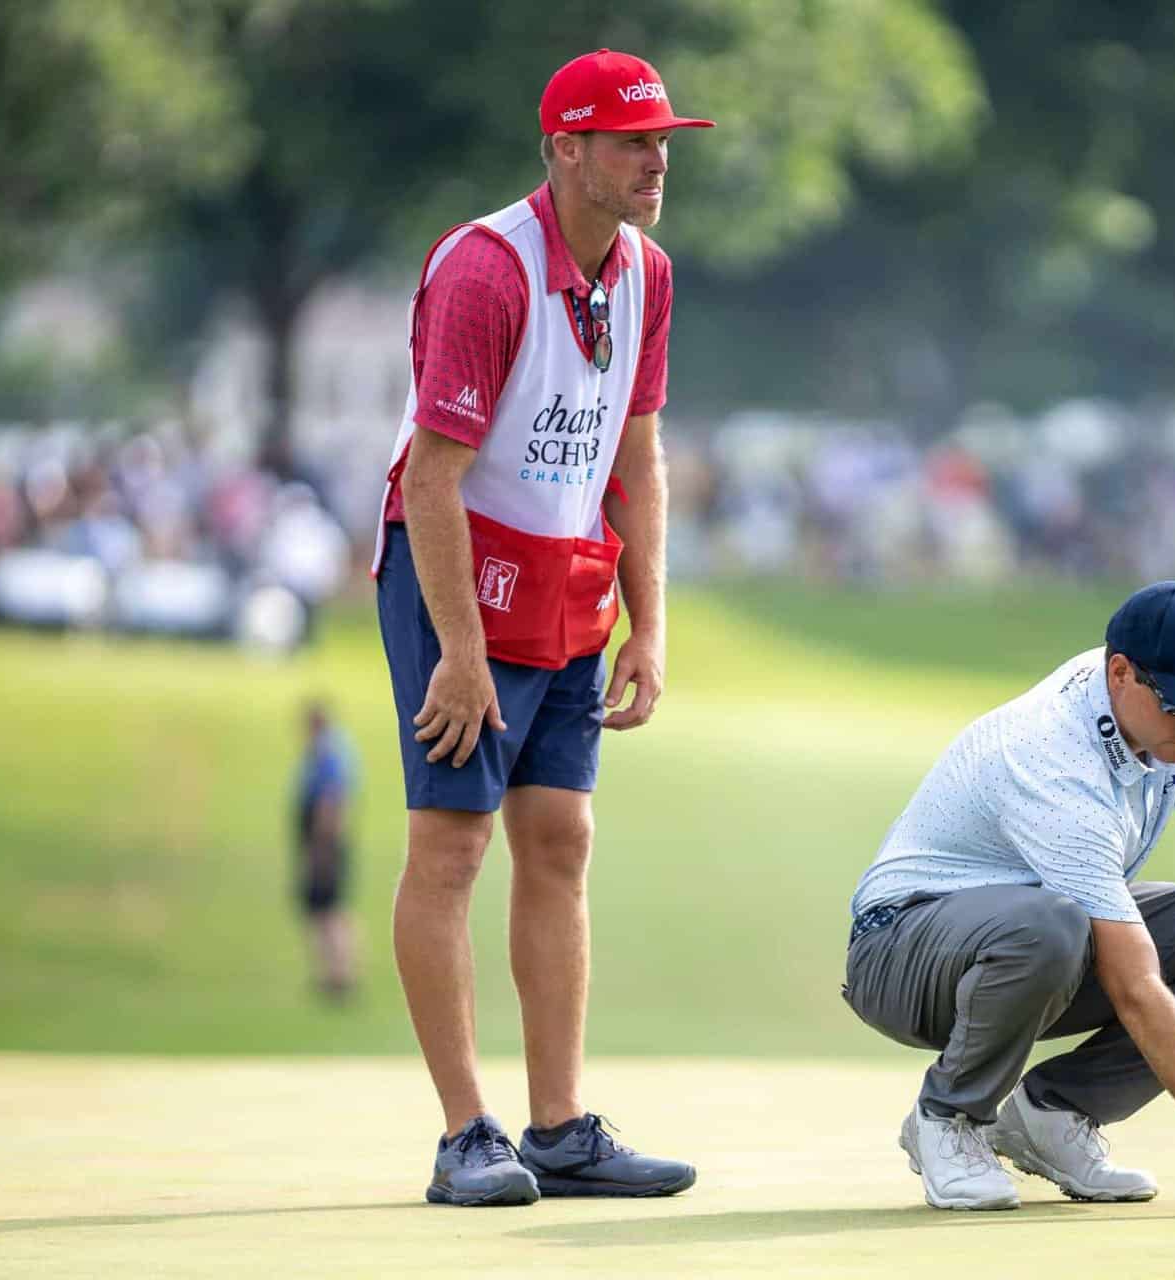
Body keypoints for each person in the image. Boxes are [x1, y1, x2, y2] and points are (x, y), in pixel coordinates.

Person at [370, 48, 709, 1208]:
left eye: (663, 141)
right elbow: (431, 480)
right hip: (455, 577)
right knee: (454, 846)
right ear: (565, 147)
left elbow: (638, 459)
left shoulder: (650, 273)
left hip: (570, 578)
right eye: (632, 141)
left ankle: (558, 1127)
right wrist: (460, 652)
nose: (657, 160)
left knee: (559, 836)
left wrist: (649, 627)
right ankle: (467, 1133)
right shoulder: (486, 270)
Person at [842, 580, 1175, 1215]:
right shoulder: (1052, 756)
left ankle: (1054, 1114)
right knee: (1051, 923)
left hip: (1029, 937)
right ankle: (947, 1117)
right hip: (901, 953)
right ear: (1120, 674)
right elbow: (1134, 985)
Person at [295, 700, 357, 1002]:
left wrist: (321, 845)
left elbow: (331, 800)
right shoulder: (330, 750)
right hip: (324, 840)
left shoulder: (327, 752)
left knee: (329, 910)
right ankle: (333, 974)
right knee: (323, 910)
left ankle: (339, 974)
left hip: (324, 842)